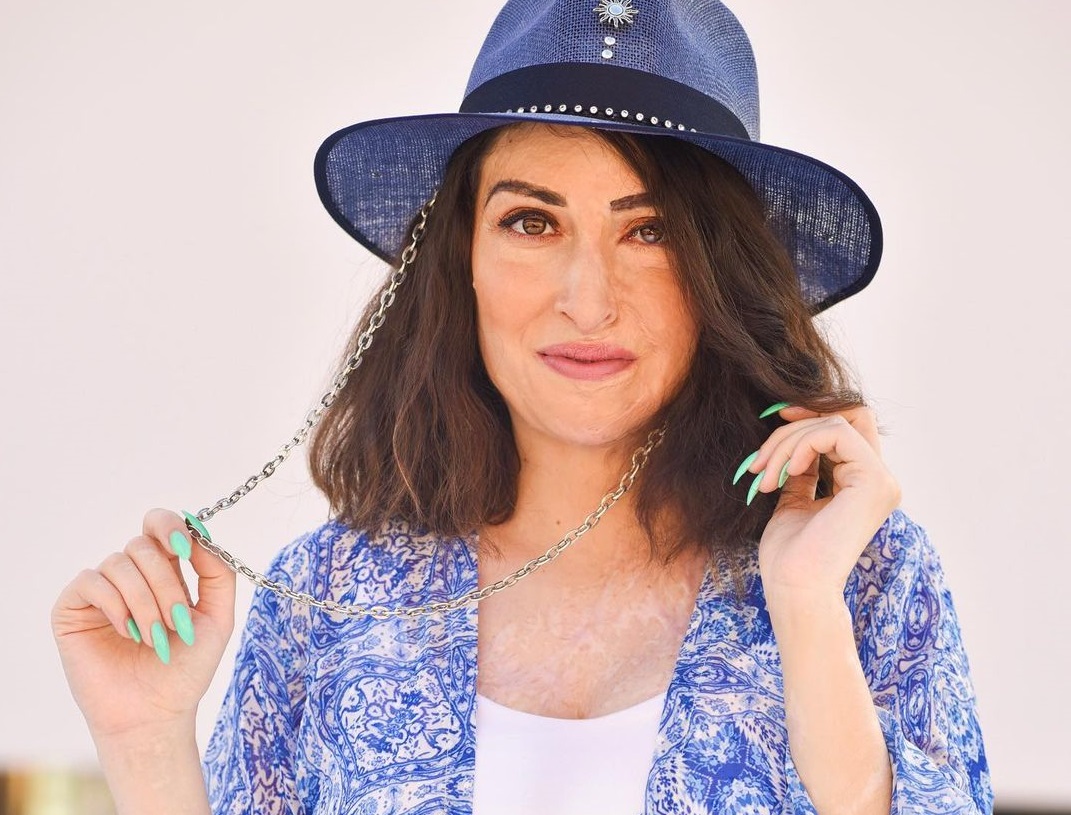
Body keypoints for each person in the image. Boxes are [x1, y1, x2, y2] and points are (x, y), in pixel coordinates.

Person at [51, 1, 991, 813]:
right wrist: (146, 739)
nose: (587, 299)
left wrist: (805, 606)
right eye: (531, 222)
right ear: (458, 256)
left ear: (719, 274)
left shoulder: (860, 575)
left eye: (650, 230)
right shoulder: (329, 593)